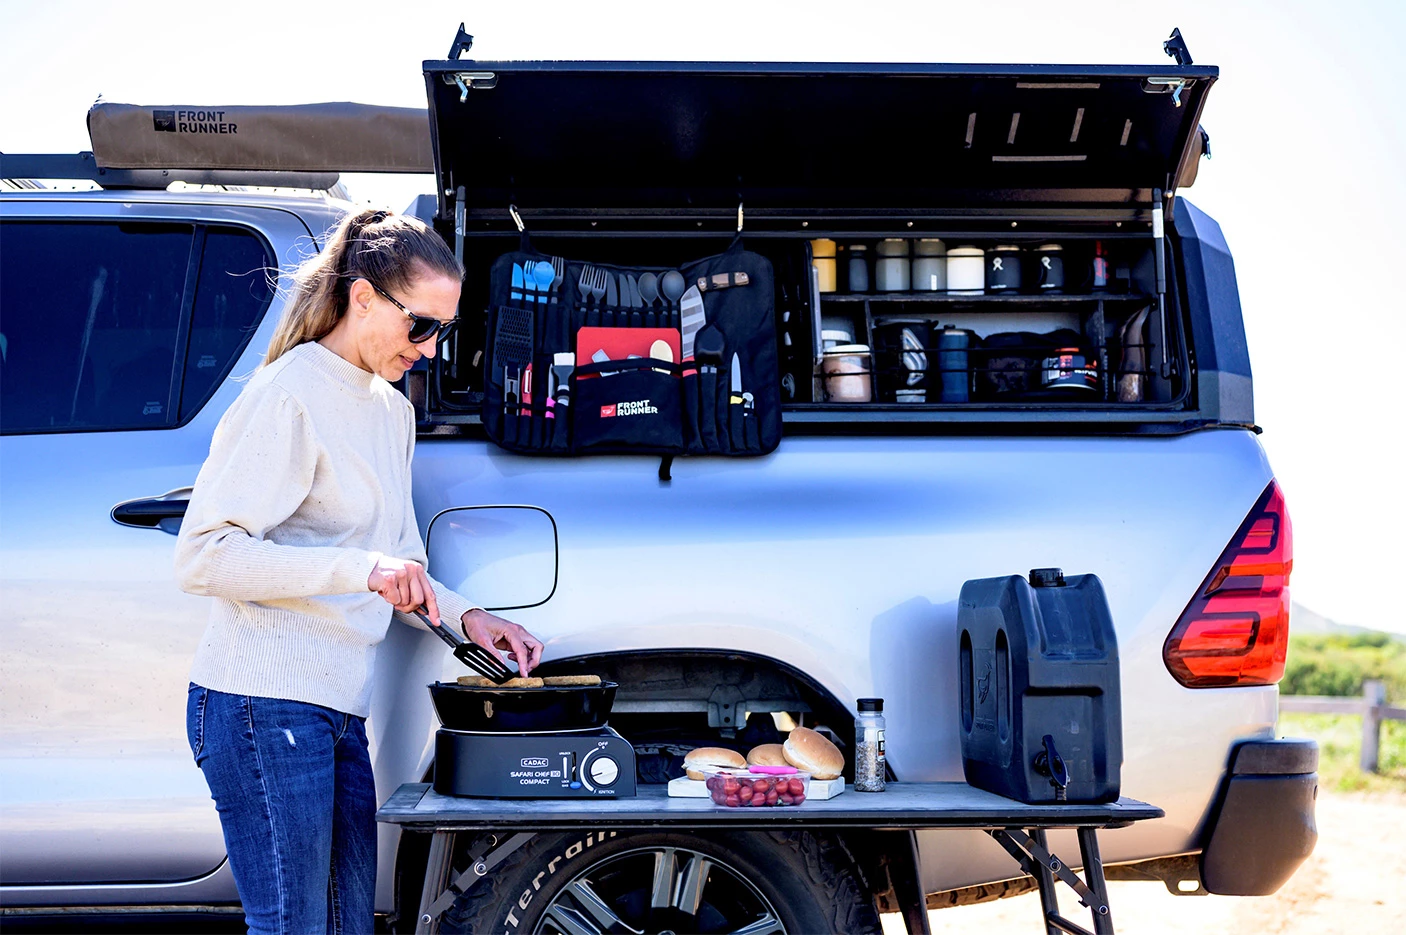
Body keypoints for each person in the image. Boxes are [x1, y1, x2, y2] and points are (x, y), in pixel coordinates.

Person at [174, 208, 543, 935]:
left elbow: (398, 559)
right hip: (262, 702)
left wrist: (469, 618)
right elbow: (204, 556)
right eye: (420, 325)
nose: (430, 349)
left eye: (443, 331)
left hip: (339, 709)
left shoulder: (390, 412)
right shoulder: (289, 394)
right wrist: (362, 568)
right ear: (364, 297)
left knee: (348, 926)